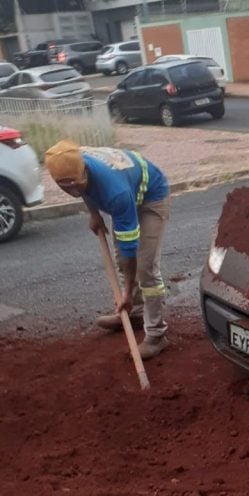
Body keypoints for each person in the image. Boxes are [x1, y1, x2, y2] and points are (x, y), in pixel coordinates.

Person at [44, 140, 171, 360]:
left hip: (151, 196)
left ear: (85, 170)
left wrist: (127, 293)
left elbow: (129, 250)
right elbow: (84, 190)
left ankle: (157, 335)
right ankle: (137, 314)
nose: (73, 191)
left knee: (145, 267)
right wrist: (94, 214)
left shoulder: (116, 193)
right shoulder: (72, 161)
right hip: (124, 188)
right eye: (65, 186)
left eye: (77, 184)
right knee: (121, 259)